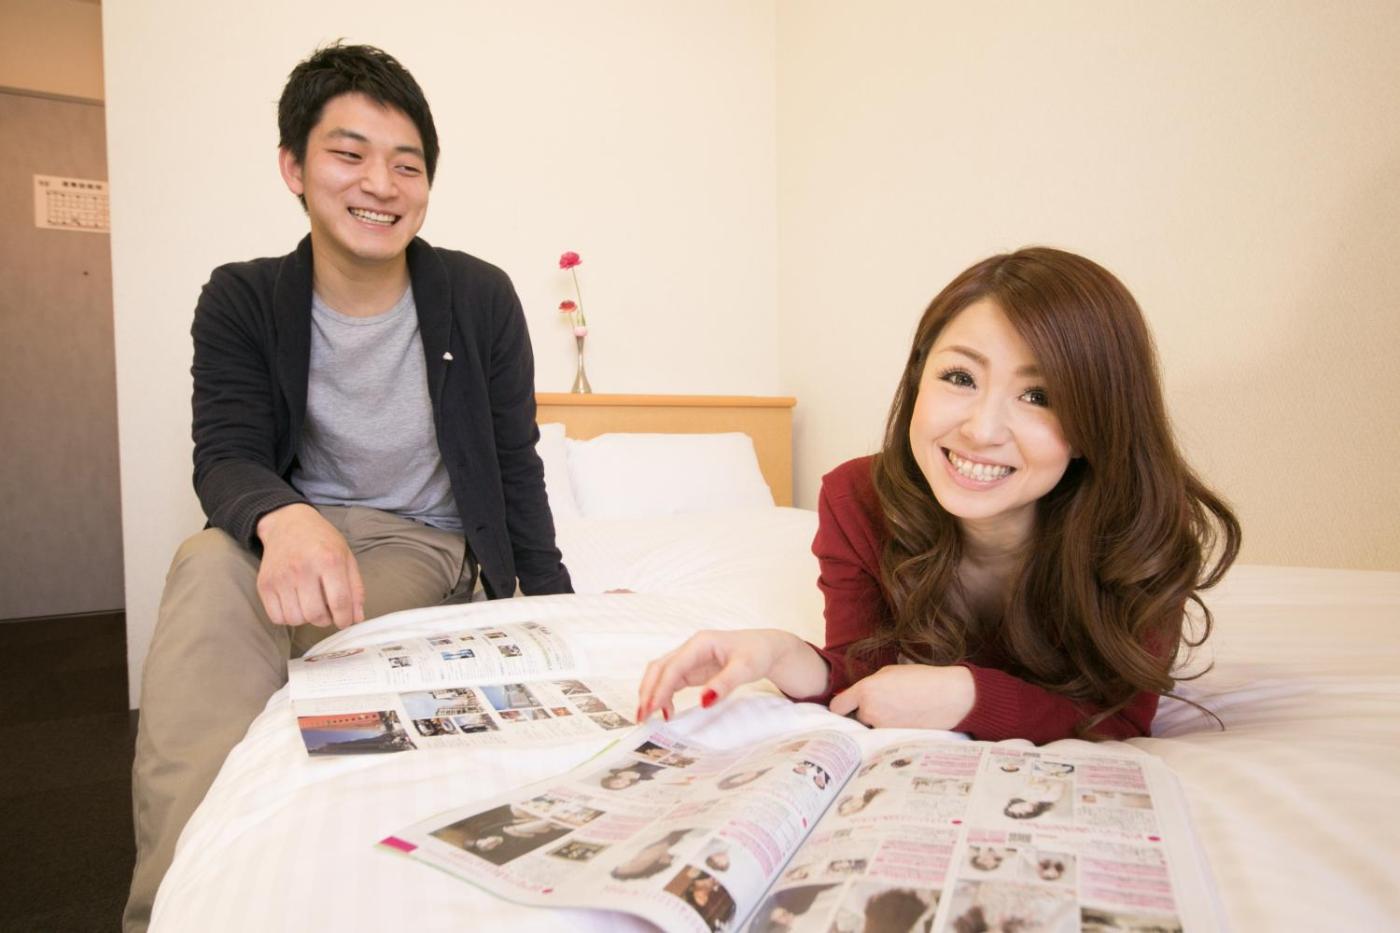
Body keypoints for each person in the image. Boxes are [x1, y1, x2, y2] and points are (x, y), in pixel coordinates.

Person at [125, 43, 571, 930]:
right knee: (205, 570)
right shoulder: (243, 298)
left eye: (407, 164)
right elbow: (225, 453)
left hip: (421, 544)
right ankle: (171, 904)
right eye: (349, 154)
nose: (381, 183)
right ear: (294, 167)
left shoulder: (479, 297)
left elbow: (515, 462)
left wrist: (562, 609)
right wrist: (285, 517)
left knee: (274, 642)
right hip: (295, 528)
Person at [637, 248, 1239, 744]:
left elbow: (1122, 719)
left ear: (1094, 425)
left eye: (1040, 397)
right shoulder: (855, 499)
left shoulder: (1142, 532)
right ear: (919, 379)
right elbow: (867, 678)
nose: (982, 430)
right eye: (959, 378)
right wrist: (780, 654)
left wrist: (969, 694)